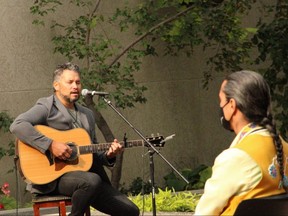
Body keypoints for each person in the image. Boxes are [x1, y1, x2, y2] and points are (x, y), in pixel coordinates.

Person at [10, 62, 140, 216]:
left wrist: (108, 155)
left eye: (78, 82)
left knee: (131, 211)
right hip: (54, 179)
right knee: (92, 181)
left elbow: (93, 150)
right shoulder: (46, 107)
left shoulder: (87, 114)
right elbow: (17, 125)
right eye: (70, 82)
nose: (75, 86)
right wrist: (51, 144)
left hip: (87, 177)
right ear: (56, 85)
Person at [195, 70, 288, 215]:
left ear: (232, 105)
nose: (220, 105)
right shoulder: (284, 147)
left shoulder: (236, 157)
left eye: (221, 100)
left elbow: (204, 213)